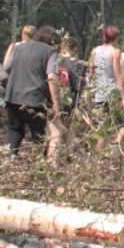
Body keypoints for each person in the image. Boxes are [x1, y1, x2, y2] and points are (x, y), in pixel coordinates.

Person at [0, 25, 56, 159]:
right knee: (38, 134)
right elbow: (52, 76)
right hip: (35, 98)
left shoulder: (19, 47)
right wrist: (55, 101)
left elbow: (6, 67)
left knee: (15, 130)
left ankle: (10, 159)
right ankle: (39, 165)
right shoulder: (50, 51)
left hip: (13, 96)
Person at [46, 27, 82, 159]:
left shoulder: (53, 60)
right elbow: (76, 85)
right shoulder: (72, 63)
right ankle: (69, 155)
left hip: (53, 99)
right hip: (67, 100)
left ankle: (52, 161)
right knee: (69, 130)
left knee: (55, 133)